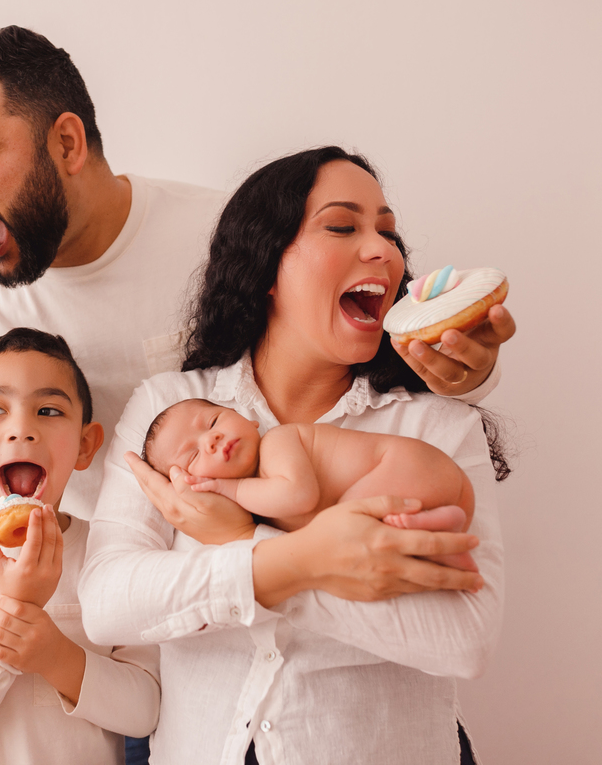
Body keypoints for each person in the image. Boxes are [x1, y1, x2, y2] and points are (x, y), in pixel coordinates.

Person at [0, 26, 514, 764]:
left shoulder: (217, 232)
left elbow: (461, 628)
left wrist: (460, 368)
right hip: (152, 667)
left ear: (67, 144)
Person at [78, 147, 509, 765]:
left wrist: (247, 546)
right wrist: (299, 560)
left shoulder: (437, 428)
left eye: (388, 232)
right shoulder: (170, 408)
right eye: (343, 226)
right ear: (266, 264)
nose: (383, 249)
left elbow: (466, 639)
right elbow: (107, 603)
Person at [0, 327, 160, 765]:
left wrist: (55, 656)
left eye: (49, 410)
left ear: (85, 445)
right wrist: (17, 605)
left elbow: (145, 711)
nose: (22, 429)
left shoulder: (114, 551)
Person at [140, 397, 477, 570]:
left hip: (407, 465)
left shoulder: (279, 441)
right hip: (427, 491)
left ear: (247, 418)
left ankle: (439, 524)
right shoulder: (255, 505)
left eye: (213, 421)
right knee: (362, 543)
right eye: (193, 456)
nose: (211, 439)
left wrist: (231, 489)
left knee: (345, 528)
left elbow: (299, 496)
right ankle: (442, 529)